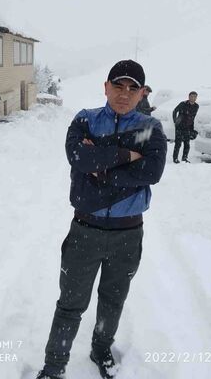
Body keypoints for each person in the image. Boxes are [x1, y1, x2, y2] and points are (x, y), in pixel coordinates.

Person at [36, 60, 167, 379]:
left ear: (142, 93)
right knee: (70, 303)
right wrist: (127, 156)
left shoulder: (151, 128)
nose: (124, 93)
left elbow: (152, 172)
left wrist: (101, 168)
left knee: (113, 300)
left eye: (132, 88)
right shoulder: (86, 120)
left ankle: (100, 348)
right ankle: (54, 366)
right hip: (85, 231)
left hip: (128, 234)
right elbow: (78, 157)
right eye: (118, 85)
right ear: (106, 87)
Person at [172, 91, 199, 163]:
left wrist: (192, 129)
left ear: (196, 98)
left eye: (195, 97)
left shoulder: (196, 106)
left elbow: (193, 117)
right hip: (179, 126)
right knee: (178, 144)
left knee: (187, 144)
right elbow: (174, 111)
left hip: (188, 127)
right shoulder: (183, 104)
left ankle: (184, 158)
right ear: (189, 97)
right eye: (192, 96)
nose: (193, 98)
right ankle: (175, 159)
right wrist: (175, 121)